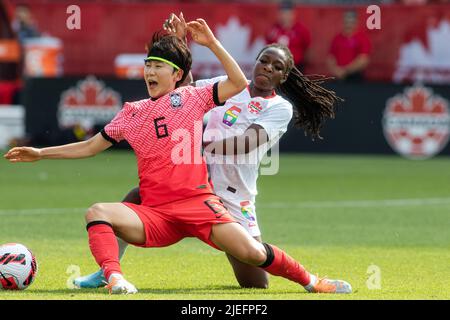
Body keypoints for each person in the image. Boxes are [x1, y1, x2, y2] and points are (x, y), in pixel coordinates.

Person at [5, 19, 351, 295]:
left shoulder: (278, 107)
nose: (267, 68)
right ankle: (110, 273)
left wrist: (193, 142)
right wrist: (177, 46)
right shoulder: (144, 108)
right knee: (127, 199)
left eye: (275, 66)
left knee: (254, 275)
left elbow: (246, 141)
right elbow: (178, 85)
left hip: (227, 195)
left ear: (283, 75)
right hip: (177, 193)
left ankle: (312, 281)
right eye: (264, 60)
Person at [265, 0, 311, 72]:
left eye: (288, 14)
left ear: (293, 14)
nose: (285, 16)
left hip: (296, 67)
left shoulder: (301, 30)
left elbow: (307, 47)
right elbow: (268, 47)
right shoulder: (273, 30)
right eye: (282, 13)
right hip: (277, 67)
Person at [326, 10, 371, 82]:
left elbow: (363, 60)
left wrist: (345, 71)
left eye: (351, 22)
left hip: (355, 78)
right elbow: (331, 57)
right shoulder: (337, 39)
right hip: (338, 77)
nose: (348, 25)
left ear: (356, 23)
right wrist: (336, 70)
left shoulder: (362, 38)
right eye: (346, 22)